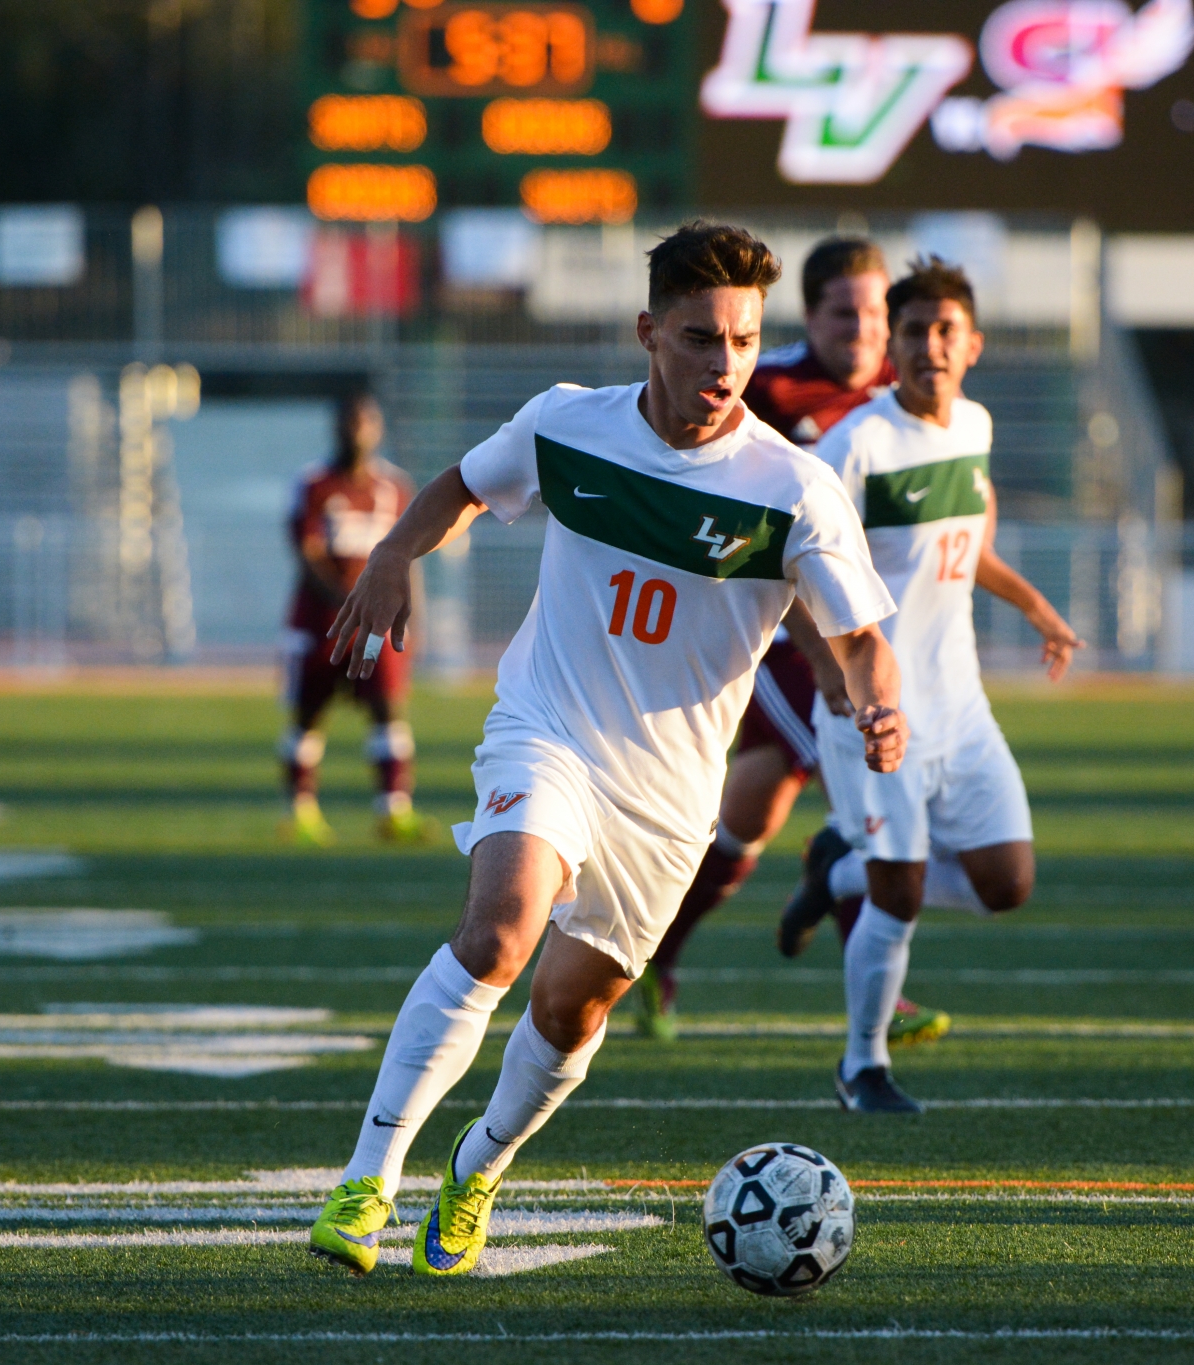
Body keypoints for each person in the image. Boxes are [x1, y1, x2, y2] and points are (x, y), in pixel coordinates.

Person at [306, 221, 906, 1277]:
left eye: (742, 341)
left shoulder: (791, 488)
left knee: (569, 1006)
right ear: (647, 332)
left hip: (668, 797)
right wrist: (396, 550)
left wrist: (878, 705)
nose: (724, 364)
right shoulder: (567, 424)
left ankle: (477, 1168)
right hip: (548, 730)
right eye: (699, 337)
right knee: (499, 931)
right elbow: (461, 485)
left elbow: (858, 638)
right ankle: (368, 1179)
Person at [634, 237, 948, 1048]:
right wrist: (815, 645)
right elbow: (726, 518)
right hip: (782, 632)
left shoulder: (905, 394)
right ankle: (876, 991)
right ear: (809, 315)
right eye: (845, 312)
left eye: (876, 312)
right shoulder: (762, 386)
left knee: (745, 824)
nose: (863, 328)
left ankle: (651, 953)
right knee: (857, 791)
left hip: (871, 635)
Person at [799, 257, 1084, 1114]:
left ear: (974, 344)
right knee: (900, 896)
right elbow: (790, 577)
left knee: (1007, 883)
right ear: (893, 345)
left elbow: (966, 549)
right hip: (879, 713)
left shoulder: (975, 427)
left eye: (946, 329)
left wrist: (1036, 606)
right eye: (915, 329)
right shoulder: (855, 446)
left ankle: (838, 870)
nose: (931, 344)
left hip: (960, 706)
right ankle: (863, 1065)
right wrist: (834, 678)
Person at [278, 391, 437, 846]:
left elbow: (409, 557)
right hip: (320, 623)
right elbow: (306, 554)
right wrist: (349, 601)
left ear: (378, 428)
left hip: (376, 627)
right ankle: (302, 812)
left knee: (388, 710)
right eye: (351, 421)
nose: (358, 430)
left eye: (366, 421)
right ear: (337, 426)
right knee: (309, 715)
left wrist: (413, 616)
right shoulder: (313, 484)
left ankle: (393, 810)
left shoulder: (395, 487)